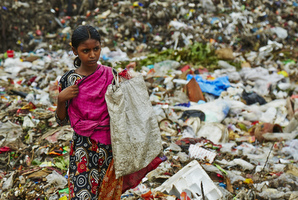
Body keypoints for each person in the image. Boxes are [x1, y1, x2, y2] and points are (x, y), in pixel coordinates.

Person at [55, 25, 165, 200]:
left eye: (96, 49)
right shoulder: (69, 80)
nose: (92, 55)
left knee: (107, 194)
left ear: (101, 47)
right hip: (83, 148)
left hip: (111, 146)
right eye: (86, 50)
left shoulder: (110, 75)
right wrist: (61, 99)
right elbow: (61, 121)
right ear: (74, 51)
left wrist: (128, 83)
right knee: (81, 195)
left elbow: (124, 110)